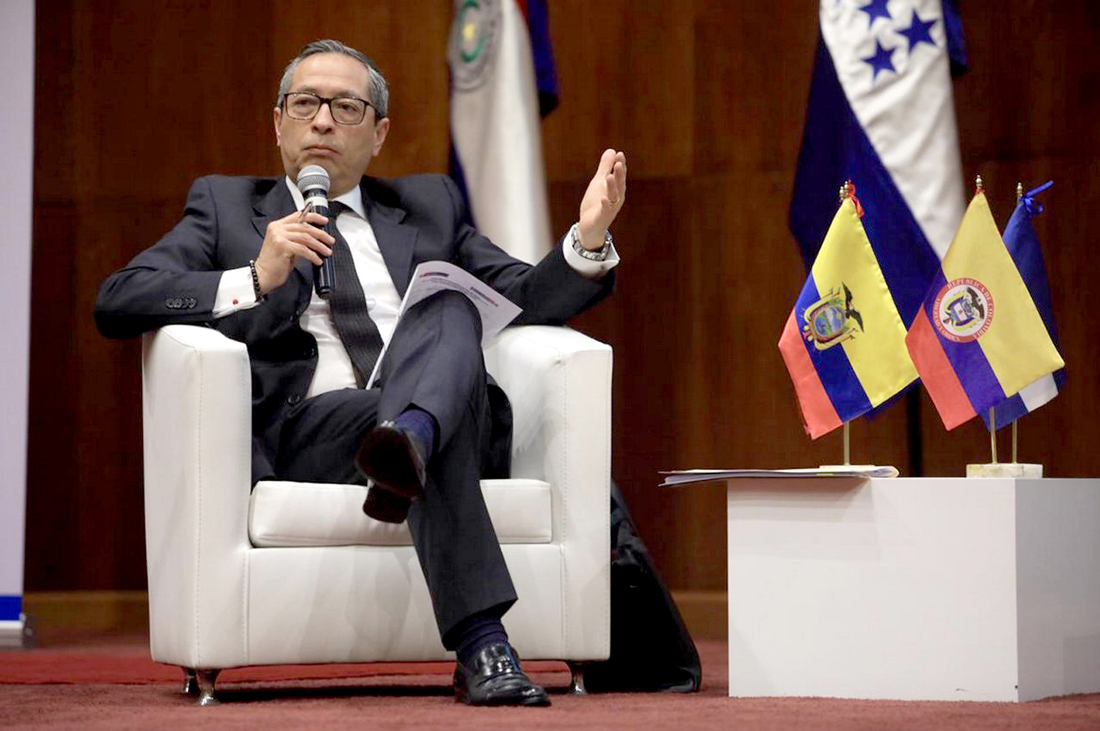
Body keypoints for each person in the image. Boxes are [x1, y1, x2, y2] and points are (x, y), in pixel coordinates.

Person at [94, 39, 626, 707]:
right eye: (305, 104)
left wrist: (586, 241)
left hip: (433, 413)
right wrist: (253, 277)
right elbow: (118, 298)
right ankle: (479, 633)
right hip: (314, 431)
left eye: (346, 107)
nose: (322, 121)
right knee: (435, 406)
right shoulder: (227, 208)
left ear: (378, 135)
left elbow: (525, 297)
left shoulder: (429, 207)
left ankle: (409, 441)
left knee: (449, 302)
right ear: (277, 123)